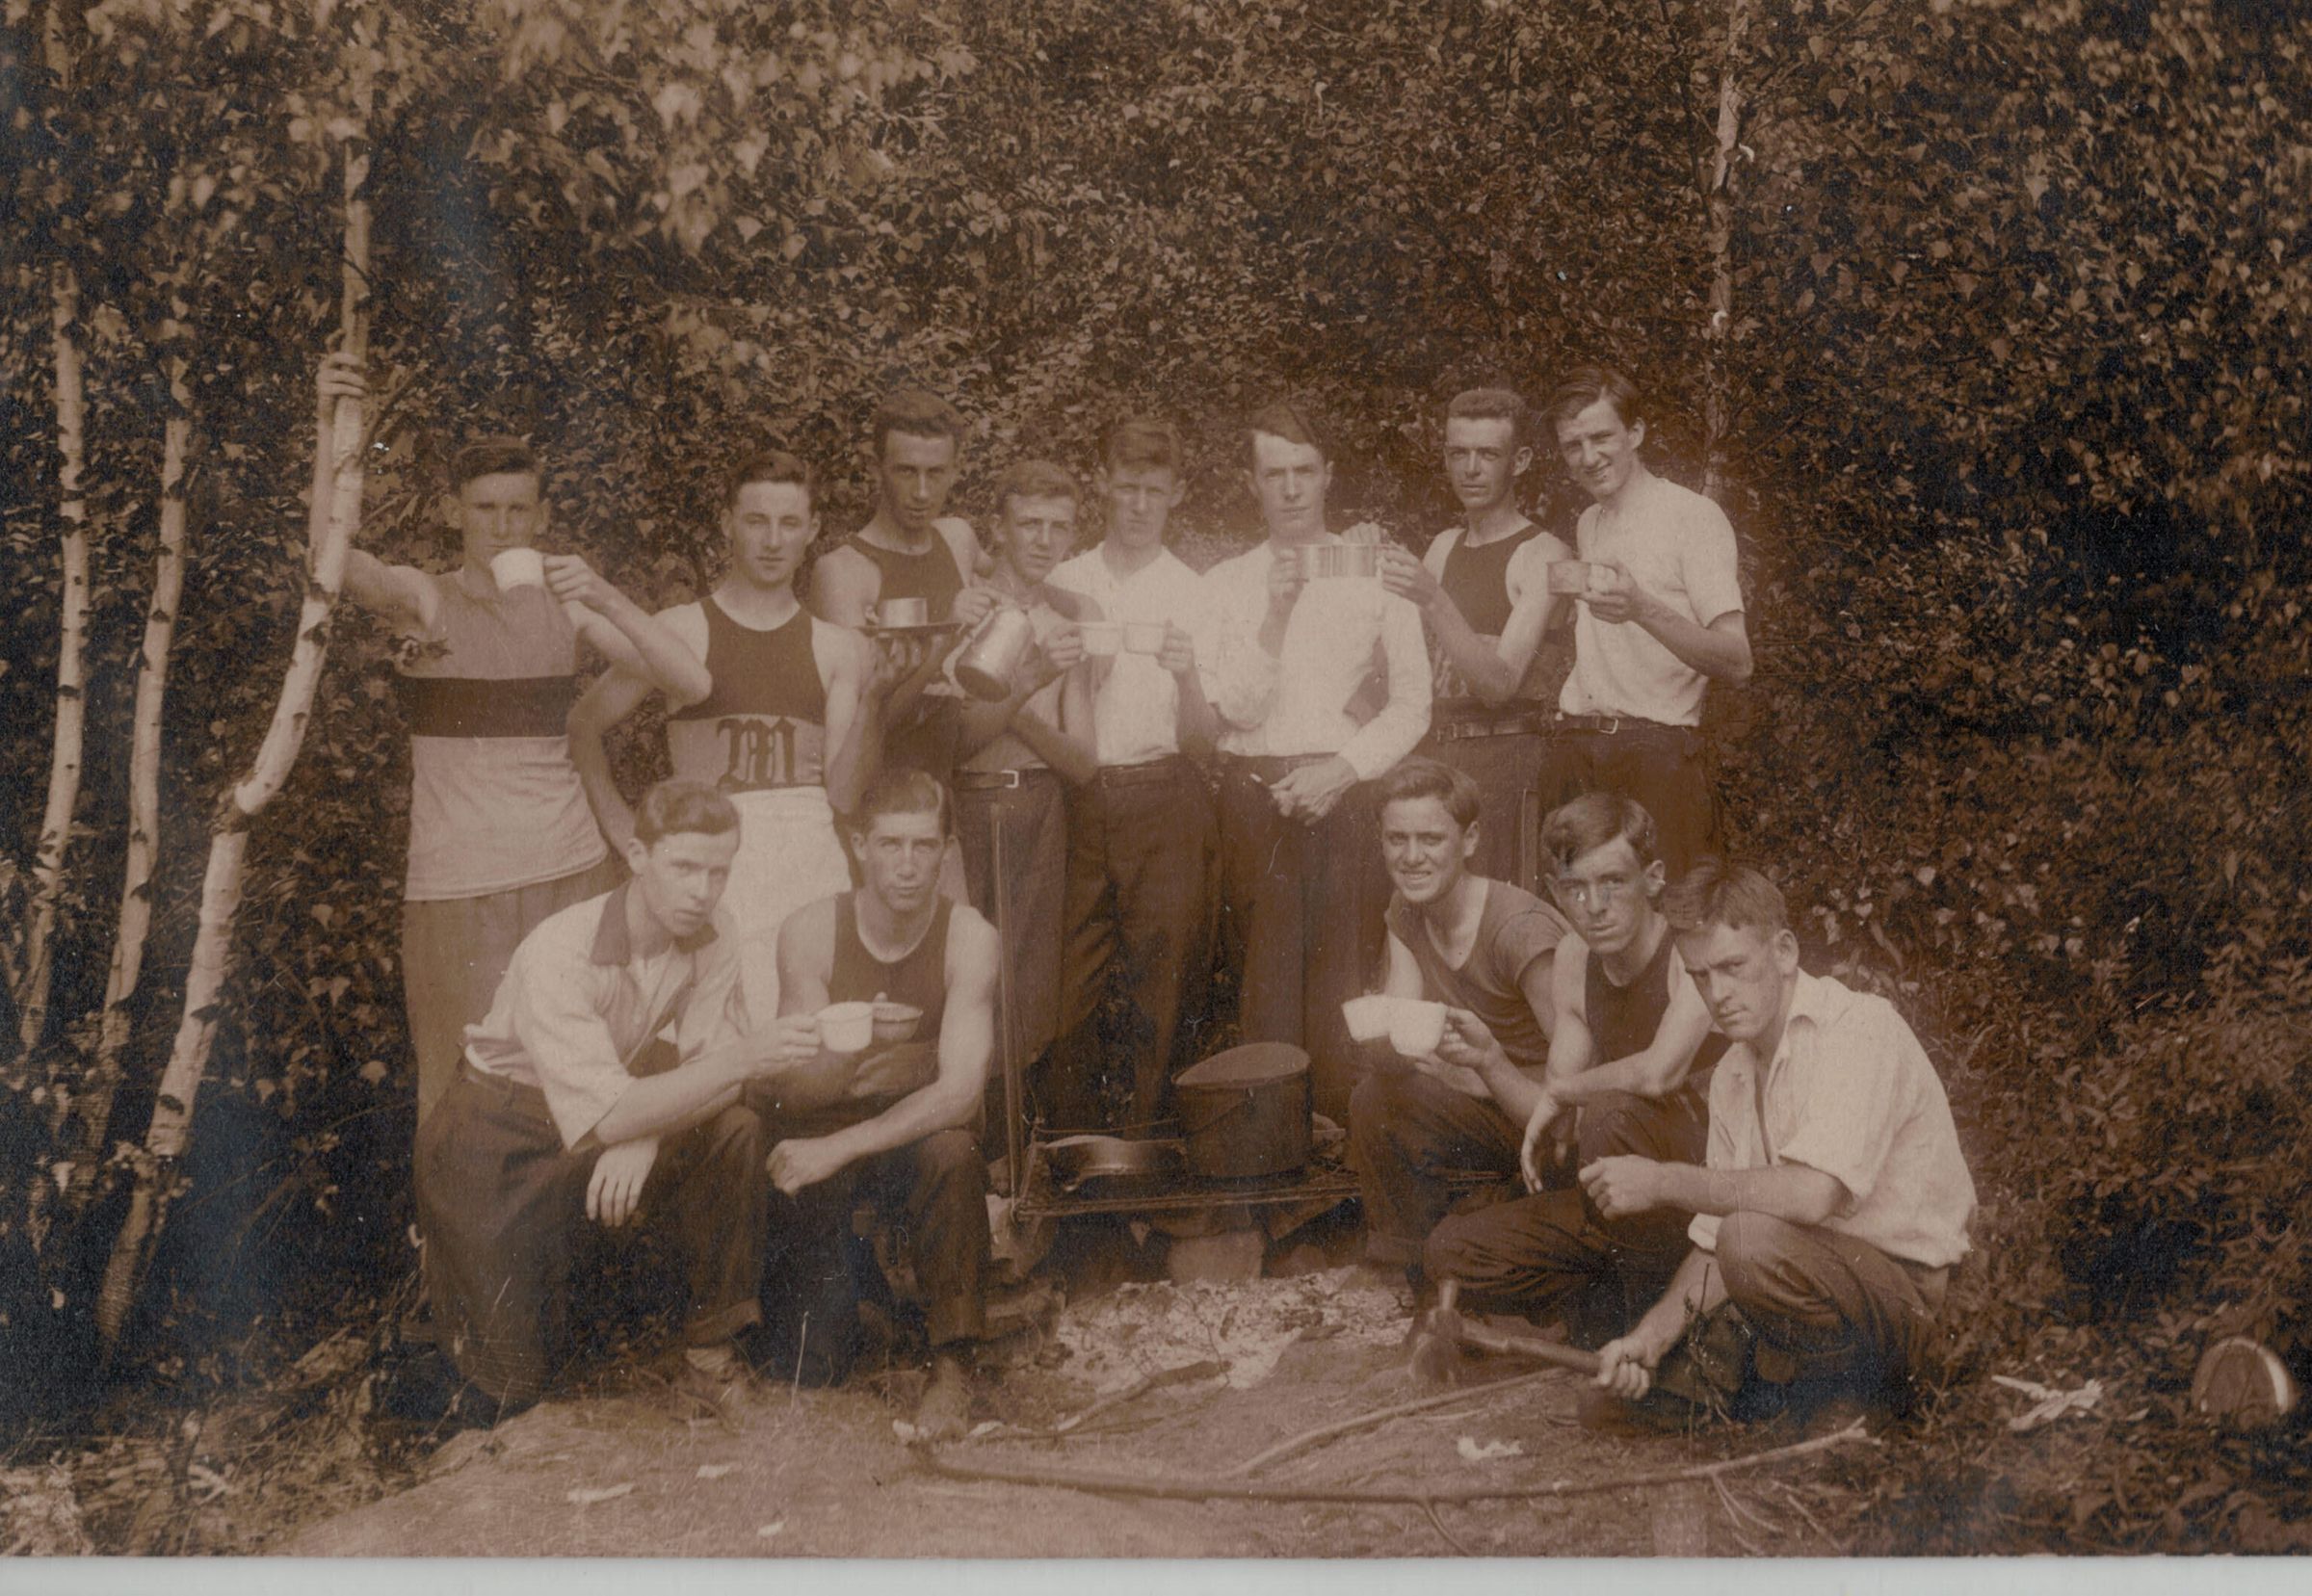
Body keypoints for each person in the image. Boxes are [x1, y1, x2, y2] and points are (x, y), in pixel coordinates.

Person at [318, 355, 711, 1125]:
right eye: (486, 508)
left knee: (585, 1081)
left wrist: (604, 594)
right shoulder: (426, 600)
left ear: (541, 518)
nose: (502, 526)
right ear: (454, 512)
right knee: (459, 1092)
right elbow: (329, 563)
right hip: (457, 885)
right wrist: (331, 427)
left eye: (518, 510)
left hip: (571, 874)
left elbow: (688, 681)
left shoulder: (569, 608)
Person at [412, 780, 820, 1421]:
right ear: (637, 856)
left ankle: (710, 1357)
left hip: (605, 1110)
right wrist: (653, 1106)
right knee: (511, 1389)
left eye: (718, 872)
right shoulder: (561, 949)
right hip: (497, 1133)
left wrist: (646, 1131)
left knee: (735, 1129)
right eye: (684, 867)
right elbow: (682, 1084)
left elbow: (706, 1073)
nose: (702, 891)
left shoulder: (715, 932)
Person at [1583, 862, 1977, 1431]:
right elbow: (1714, 1243)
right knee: (1609, 1403)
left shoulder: (1858, 1028)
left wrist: (1663, 1181)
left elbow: (1812, 1195)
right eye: (1699, 977)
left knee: (1749, 1238)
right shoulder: (1733, 1073)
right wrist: (1651, 1337)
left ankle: (1853, 1399)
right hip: (1826, 1279)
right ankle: (1788, 1389)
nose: (1718, 994)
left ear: (1785, 952)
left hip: (1915, 1293)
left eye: (1733, 967)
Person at [568, 452, 873, 1022]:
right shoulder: (681, 630)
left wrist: (879, 697)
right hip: (713, 867)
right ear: (727, 523)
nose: (773, 541)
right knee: (718, 1036)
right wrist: (624, 831)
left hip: (808, 869)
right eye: (756, 521)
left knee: (812, 1034)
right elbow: (583, 726)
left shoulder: (836, 647)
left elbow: (842, 794)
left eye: (789, 523)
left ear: (812, 530)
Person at [1419, 791, 1728, 1345]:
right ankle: (1604, 1298)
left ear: (1653, 879)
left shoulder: (1688, 951)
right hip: (1616, 1199)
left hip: (1702, 1196)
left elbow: (1657, 1073)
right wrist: (1490, 1059)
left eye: (1613, 882)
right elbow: (1557, 1124)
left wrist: (1566, 1092)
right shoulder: (1573, 959)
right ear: (1555, 892)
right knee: (1449, 1250)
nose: (1594, 906)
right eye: (1575, 889)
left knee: (1611, 1112)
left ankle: (1654, 1326)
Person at [1197, 401, 1432, 1120]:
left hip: (1344, 790)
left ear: (1328, 474)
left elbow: (1413, 704)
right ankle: (1268, 1147)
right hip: (1254, 793)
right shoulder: (1225, 583)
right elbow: (1233, 711)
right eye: (1275, 474)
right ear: (1252, 483)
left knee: (1343, 977)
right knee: (1262, 980)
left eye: (1304, 471)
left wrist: (1342, 771)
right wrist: (1274, 614)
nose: (1292, 489)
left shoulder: (1374, 570)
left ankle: (1341, 1147)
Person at [760, 770, 1002, 1439]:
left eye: (923, 845)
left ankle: (954, 1363)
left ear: (946, 850)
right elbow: (792, 1089)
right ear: (859, 845)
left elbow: (961, 1092)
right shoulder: (812, 930)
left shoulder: (969, 936)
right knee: (814, 1366)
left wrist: (916, 1070)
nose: (907, 864)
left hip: (910, 1135)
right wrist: (853, 1048)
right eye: (890, 844)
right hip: (826, 1131)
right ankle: (862, 1306)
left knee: (953, 1152)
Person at [1046, 419, 1221, 1132]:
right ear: (1102, 485)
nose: (1140, 504)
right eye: (1126, 487)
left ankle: (1151, 1150)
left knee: (1163, 980)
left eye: (1154, 489)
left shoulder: (1195, 590)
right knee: (1068, 982)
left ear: (1176, 493)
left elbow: (1204, 742)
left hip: (1164, 793)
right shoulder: (1064, 579)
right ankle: (1071, 1151)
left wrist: (1188, 677)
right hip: (1076, 797)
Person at [1346, 758, 1574, 1276]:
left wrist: (1476, 1076)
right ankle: (1410, 1268)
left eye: (1430, 839)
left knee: (1389, 1100)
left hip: (1547, 1123)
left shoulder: (1519, 932)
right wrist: (1376, 1035)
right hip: (1487, 1107)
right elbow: (1403, 1028)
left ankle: (1471, 1244)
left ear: (1469, 840)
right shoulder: (1407, 909)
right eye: (1396, 839)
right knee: (1375, 1098)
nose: (1411, 857)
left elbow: (1582, 1087)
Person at [1545, 366, 1752, 877]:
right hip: (1580, 749)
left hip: (1656, 758)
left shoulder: (1692, 517)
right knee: (1578, 910)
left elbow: (1738, 662)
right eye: (1573, 446)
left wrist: (1641, 608)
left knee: (1670, 911)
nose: (1588, 457)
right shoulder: (1589, 522)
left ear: (1635, 433)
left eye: (1601, 437)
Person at [950, 460, 1098, 1154]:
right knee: (965, 979)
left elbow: (1083, 760)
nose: (1043, 539)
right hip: (970, 808)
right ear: (1000, 529)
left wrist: (1019, 710)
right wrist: (1031, 681)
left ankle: (1013, 1159)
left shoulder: (1070, 618)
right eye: (1029, 524)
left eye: (1058, 527)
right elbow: (959, 740)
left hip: (1039, 803)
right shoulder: (969, 608)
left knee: (1029, 988)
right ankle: (965, 1148)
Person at [1379, 388, 1572, 894]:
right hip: (1438, 759)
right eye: (1458, 453)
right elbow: (1398, 663)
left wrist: (1433, 598)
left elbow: (1499, 683)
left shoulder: (1542, 553)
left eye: (1487, 454)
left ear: (1519, 461)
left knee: (1497, 914)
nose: (1470, 469)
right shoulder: (1443, 546)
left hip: (1505, 761)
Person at [807, 387, 997, 791]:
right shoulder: (843, 573)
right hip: (877, 800)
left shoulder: (957, 538)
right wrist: (945, 636)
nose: (922, 492)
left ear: (955, 470)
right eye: (907, 472)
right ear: (876, 469)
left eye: (936, 473)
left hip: (943, 791)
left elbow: (1012, 572)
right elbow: (860, 724)